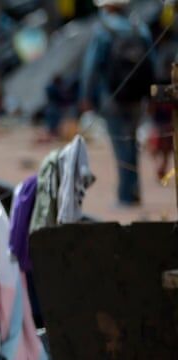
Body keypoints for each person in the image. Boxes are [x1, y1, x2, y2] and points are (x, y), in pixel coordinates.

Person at [80, 0, 156, 206]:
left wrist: (86, 96)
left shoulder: (103, 30)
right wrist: (150, 96)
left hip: (112, 97)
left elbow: (91, 67)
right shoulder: (139, 28)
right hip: (137, 97)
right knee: (132, 144)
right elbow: (152, 63)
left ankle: (125, 196)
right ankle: (134, 191)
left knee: (121, 146)